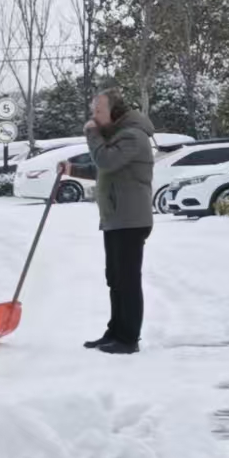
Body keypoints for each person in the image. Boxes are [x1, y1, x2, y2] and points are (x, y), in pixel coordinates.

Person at [82, 88, 156, 355]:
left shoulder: (133, 136)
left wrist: (92, 134)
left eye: (98, 111)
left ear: (115, 111)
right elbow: (104, 169)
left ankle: (128, 338)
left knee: (128, 280)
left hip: (130, 219)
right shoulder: (119, 136)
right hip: (116, 218)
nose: (94, 116)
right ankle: (115, 331)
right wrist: (72, 169)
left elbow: (106, 160)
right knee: (115, 279)